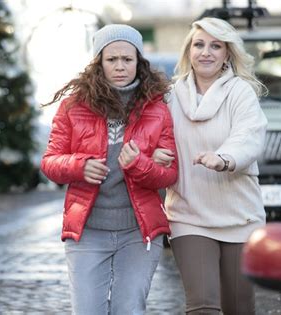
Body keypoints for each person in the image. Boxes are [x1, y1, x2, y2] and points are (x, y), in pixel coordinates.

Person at [41, 24, 178, 314]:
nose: (119, 66)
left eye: (127, 59)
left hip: (139, 232)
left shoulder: (158, 109)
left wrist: (138, 163)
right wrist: (79, 166)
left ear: (139, 63)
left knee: (129, 309)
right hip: (88, 231)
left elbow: (169, 174)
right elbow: (50, 162)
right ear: (98, 62)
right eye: (111, 59)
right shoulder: (73, 107)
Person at [153, 17, 268, 314]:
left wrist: (224, 158)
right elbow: (153, 136)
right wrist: (155, 153)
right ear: (188, 51)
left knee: (239, 307)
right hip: (189, 216)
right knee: (202, 304)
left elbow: (249, 137)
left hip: (240, 218)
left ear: (227, 53)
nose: (206, 52)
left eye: (215, 46)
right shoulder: (170, 96)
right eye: (199, 44)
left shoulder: (240, 92)